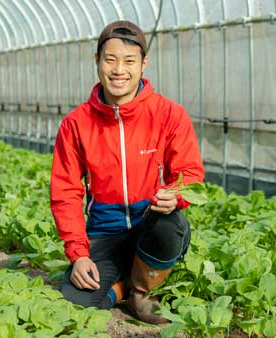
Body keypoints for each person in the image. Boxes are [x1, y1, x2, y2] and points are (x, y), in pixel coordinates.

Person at [50, 20, 204, 324]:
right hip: (104, 233)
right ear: (97, 61)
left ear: (143, 64)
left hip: (150, 226)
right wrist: (79, 254)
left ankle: (141, 292)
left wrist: (175, 197)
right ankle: (120, 288)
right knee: (75, 301)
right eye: (110, 59)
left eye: (129, 61)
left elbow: (189, 173)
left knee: (168, 225)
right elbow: (65, 193)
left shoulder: (169, 114)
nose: (119, 70)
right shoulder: (76, 124)